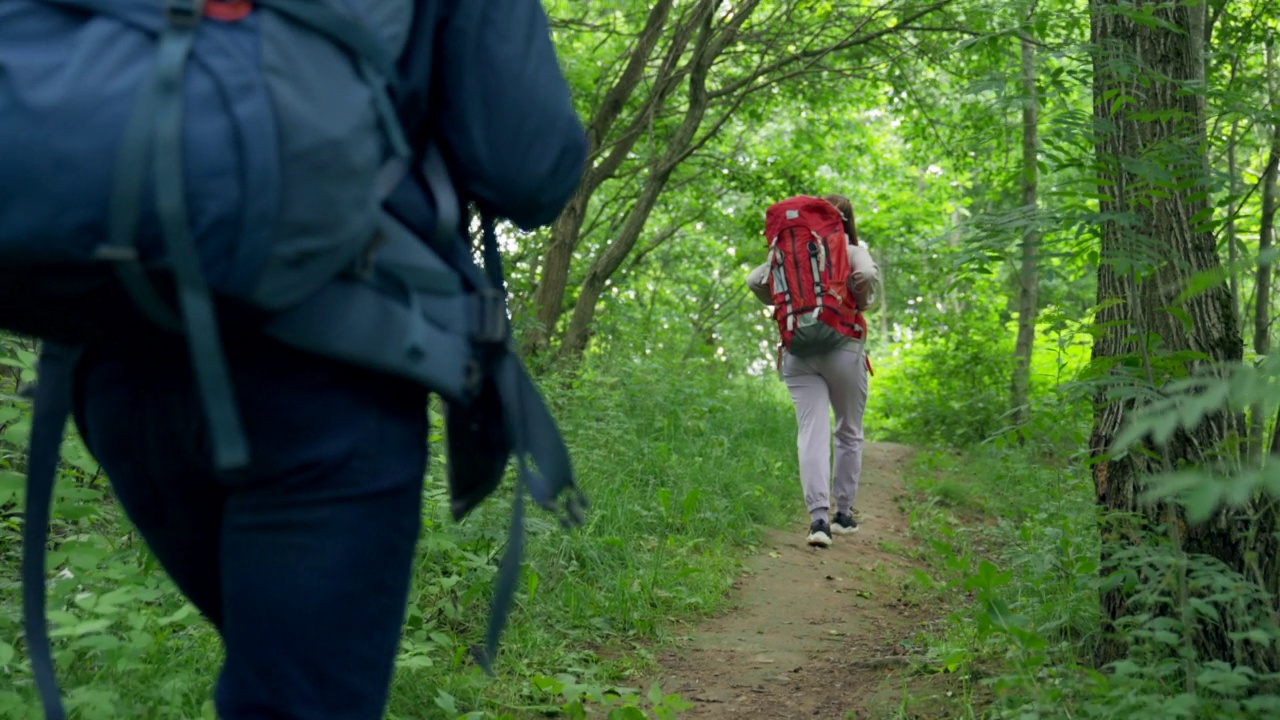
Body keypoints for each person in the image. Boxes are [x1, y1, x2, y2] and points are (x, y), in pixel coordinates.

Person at [36, 2, 588, 719]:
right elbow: (531, 167)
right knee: (297, 696)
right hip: (325, 371)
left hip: (113, 358)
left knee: (279, 678)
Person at [747, 193, 880, 548]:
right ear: (846, 221)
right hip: (843, 347)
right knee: (849, 431)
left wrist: (780, 301)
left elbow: (754, 280)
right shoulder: (850, 250)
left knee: (811, 432)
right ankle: (843, 514)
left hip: (798, 352)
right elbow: (865, 273)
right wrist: (861, 300)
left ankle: (817, 520)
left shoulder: (787, 250)